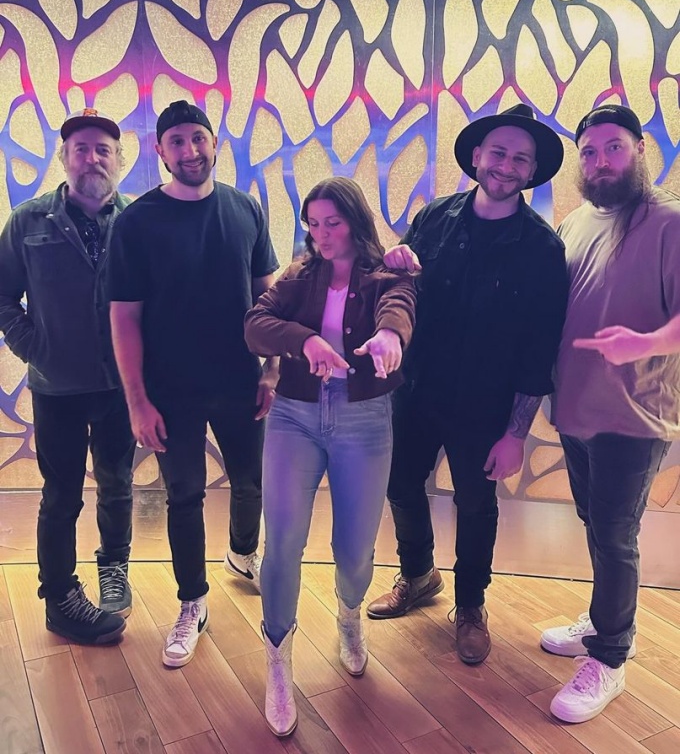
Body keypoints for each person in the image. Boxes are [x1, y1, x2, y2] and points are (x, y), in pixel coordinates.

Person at [366, 104, 569, 666]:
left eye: (520, 159)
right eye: (498, 153)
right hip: (418, 390)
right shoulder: (434, 217)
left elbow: (539, 351)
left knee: (476, 503)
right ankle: (418, 575)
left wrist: (516, 434)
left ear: (531, 172)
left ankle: (472, 605)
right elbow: (400, 290)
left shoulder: (542, 249)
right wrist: (393, 262)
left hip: (486, 405)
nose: (506, 165)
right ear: (477, 157)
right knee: (401, 486)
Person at [108, 100, 279, 667]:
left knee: (251, 478)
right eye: (176, 141)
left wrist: (273, 368)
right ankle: (192, 601)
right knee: (183, 495)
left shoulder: (245, 209)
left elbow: (268, 294)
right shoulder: (136, 222)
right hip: (169, 390)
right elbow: (124, 318)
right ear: (160, 151)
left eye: (198, 138)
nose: (190, 151)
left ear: (214, 143)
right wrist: (137, 401)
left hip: (239, 380)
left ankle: (242, 553)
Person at [244, 177, 417, 736]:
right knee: (283, 541)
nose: (320, 235)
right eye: (312, 224)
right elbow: (255, 325)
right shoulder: (299, 274)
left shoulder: (385, 272)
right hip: (294, 416)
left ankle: (348, 618)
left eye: (332, 223)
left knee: (354, 549)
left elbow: (399, 307)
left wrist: (390, 337)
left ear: (355, 220)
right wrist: (305, 340)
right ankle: (278, 660)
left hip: (363, 421)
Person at [541, 104, 680, 723]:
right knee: (596, 522)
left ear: (641, 149)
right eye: (590, 152)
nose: (600, 162)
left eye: (613, 148)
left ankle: (611, 658)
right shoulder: (575, 224)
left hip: (636, 412)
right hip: (575, 408)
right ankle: (602, 618)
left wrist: (646, 344)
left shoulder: (670, 222)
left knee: (615, 534)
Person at [0, 109, 134, 645]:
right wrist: (36, 345)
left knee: (119, 485)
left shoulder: (138, 220)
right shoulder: (29, 221)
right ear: (63, 157)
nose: (92, 158)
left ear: (119, 160)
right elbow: (3, 296)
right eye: (81, 148)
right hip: (57, 387)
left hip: (124, 385)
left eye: (103, 149)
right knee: (61, 495)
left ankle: (114, 568)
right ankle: (59, 596)